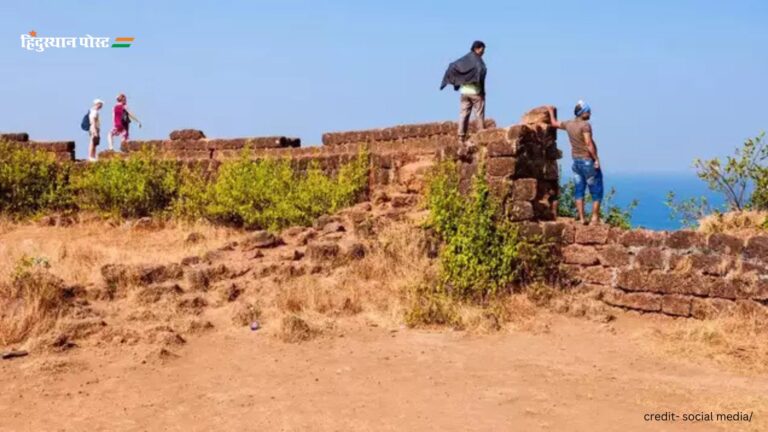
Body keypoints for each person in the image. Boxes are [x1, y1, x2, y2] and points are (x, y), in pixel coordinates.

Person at [547, 101, 604, 225]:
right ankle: (594, 218)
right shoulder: (585, 126)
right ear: (582, 113)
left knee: (579, 190)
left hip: (576, 162)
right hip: (587, 160)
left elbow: (554, 123)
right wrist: (596, 159)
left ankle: (582, 218)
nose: (590, 113)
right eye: (588, 111)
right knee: (596, 189)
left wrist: (551, 112)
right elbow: (588, 143)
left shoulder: (569, 124)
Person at [440, 40, 487, 143]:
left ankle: (461, 137)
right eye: (482, 50)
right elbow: (481, 73)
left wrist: (457, 82)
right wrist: (482, 91)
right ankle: (482, 135)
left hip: (464, 92)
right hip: (475, 92)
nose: (483, 53)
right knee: (479, 114)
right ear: (477, 49)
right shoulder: (478, 62)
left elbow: (453, 66)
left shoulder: (465, 60)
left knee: (463, 114)